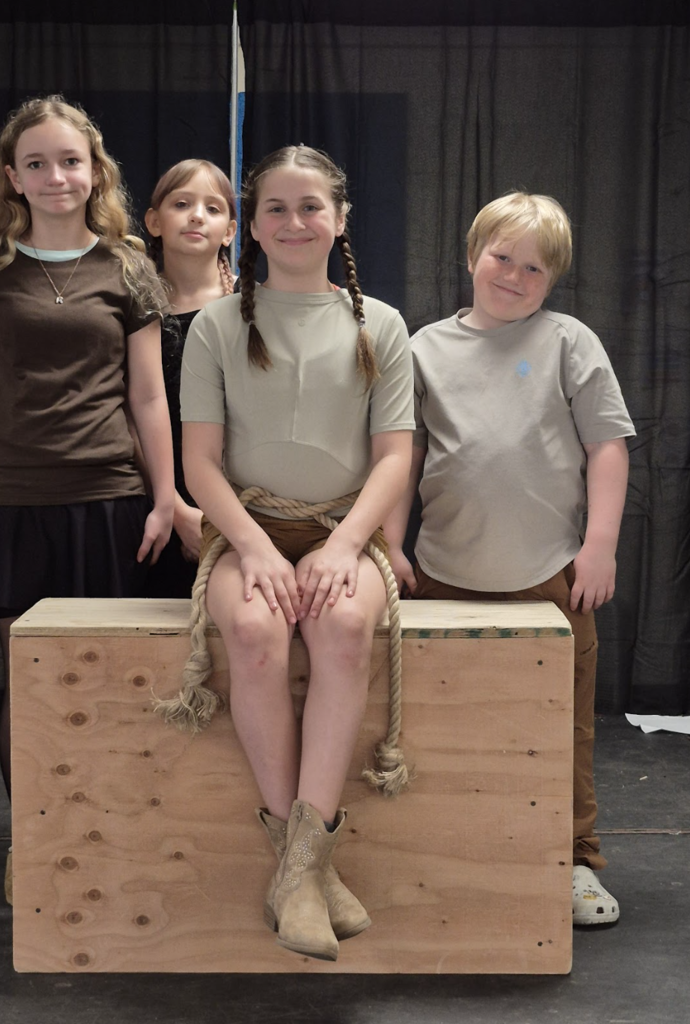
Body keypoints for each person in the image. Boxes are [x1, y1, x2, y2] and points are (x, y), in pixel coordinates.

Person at [177, 146, 414, 961]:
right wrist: (256, 549)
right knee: (254, 633)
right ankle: (305, 869)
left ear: (340, 219)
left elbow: (392, 456)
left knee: (344, 629)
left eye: (310, 206)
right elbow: (200, 463)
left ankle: (298, 871)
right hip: (247, 527)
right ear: (251, 226)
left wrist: (346, 544)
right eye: (274, 208)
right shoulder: (215, 325)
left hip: (342, 528)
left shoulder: (377, 323)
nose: (293, 222)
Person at [385, 192, 635, 928]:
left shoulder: (568, 342)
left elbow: (607, 448)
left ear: (551, 279)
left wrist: (598, 547)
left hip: (549, 580)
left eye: (533, 267)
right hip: (438, 577)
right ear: (471, 255)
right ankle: (441, 850)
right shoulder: (423, 347)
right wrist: (391, 545)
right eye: (501, 257)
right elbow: (405, 456)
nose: (513, 275)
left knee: (562, 730)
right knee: (439, 726)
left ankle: (574, 863)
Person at [0, 95, 175, 798]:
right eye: (36, 163)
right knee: (33, 687)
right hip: (16, 505)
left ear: (95, 172)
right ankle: (30, 849)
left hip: (112, 505)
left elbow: (148, 397)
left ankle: (110, 839)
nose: (55, 175)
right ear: (13, 177)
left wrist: (165, 499)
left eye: (70, 160)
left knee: (114, 683)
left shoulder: (129, 269)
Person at [143, 160, 237, 597]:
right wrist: (177, 510)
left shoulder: (252, 308)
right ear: (154, 222)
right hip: (154, 502)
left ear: (231, 231)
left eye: (213, 208)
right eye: (182, 204)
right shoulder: (134, 310)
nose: (197, 215)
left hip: (241, 507)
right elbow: (126, 413)